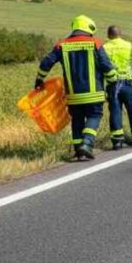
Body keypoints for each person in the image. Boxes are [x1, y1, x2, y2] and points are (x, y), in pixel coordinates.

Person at [35, 15, 117, 161]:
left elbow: (45, 64)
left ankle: (79, 151)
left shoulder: (61, 45)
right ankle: (87, 143)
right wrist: (113, 81)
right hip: (94, 93)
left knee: (77, 120)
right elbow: (106, 66)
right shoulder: (95, 43)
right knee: (94, 116)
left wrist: (39, 80)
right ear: (89, 29)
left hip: (73, 95)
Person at [103, 25, 132, 149]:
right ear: (120, 34)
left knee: (115, 111)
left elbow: (101, 66)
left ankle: (117, 140)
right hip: (128, 82)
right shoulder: (130, 46)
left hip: (112, 83)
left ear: (108, 35)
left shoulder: (103, 48)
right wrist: (129, 69)